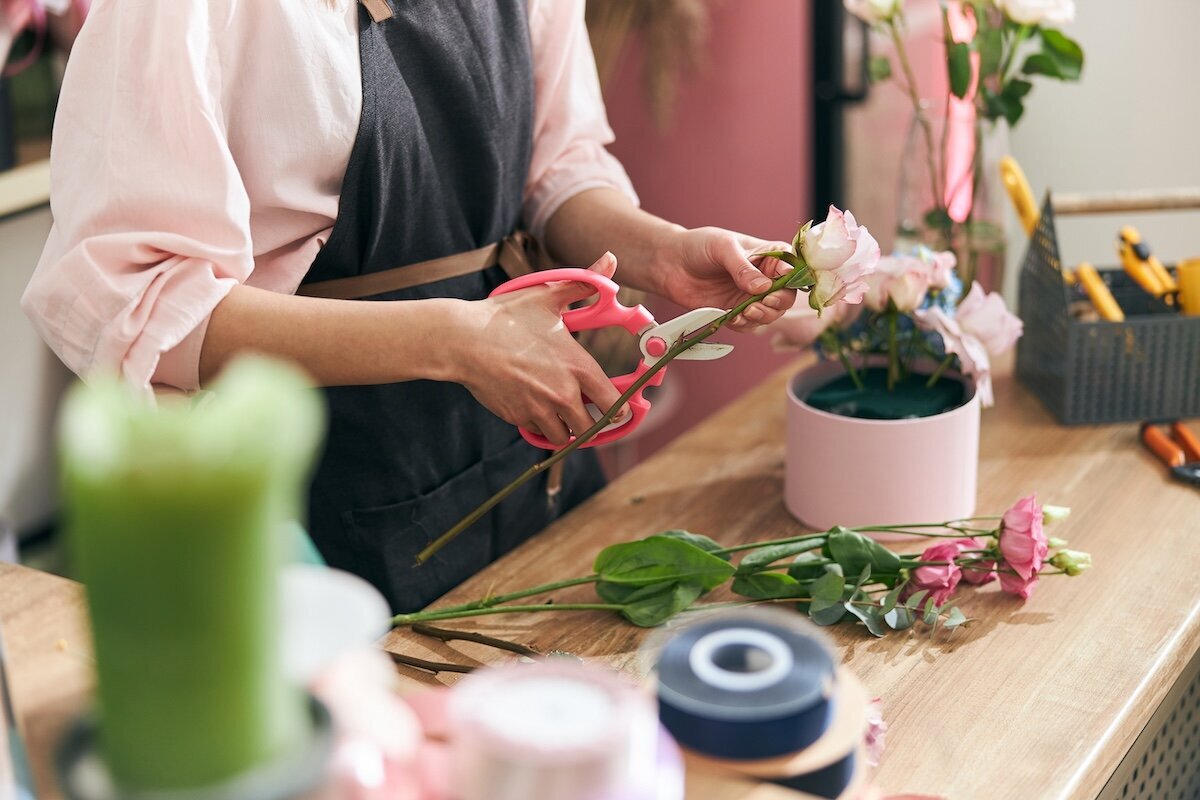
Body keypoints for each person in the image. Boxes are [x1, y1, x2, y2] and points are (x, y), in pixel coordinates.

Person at [22, 0, 797, 612]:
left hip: (520, 469)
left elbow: (557, 166)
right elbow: (132, 302)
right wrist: (457, 341)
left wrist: (662, 251)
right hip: (310, 500)